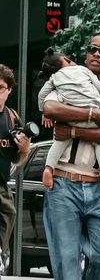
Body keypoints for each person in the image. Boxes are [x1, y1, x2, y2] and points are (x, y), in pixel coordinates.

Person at [41, 32, 100, 280]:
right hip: (62, 183)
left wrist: (73, 130)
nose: (96, 54)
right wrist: (92, 114)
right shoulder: (68, 78)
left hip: (99, 186)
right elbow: (49, 107)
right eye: (92, 49)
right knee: (65, 260)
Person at [38, 47, 100, 189]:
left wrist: (43, 113)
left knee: (60, 142)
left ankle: (48, 168)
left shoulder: (54, 79)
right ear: (67, 60)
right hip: (93, 117)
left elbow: (42, 95)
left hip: (71, 117)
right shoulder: (82, 70)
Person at [0, 64, 30, 275]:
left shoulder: (12, 118)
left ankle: (2, 254)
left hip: (1, 186)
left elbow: (17, 161)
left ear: (9, 90)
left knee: (9, 212)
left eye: (1, 87)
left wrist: (25, 151)